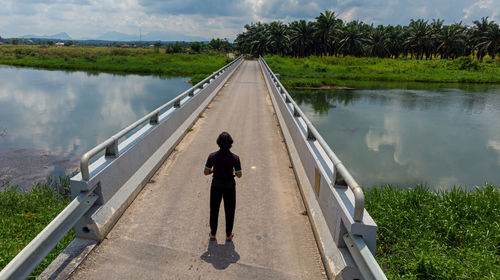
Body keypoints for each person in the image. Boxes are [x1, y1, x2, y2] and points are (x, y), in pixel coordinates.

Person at [204, 132, 242, 241]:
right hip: (229, 187)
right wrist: (234, 171)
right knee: (229, 211)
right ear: (230, 143)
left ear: (218, 143)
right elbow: (239, 175)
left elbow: (206, 172)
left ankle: (213, 233)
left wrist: (213, 170)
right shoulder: (235, 158)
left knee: (214, 210)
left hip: (216, 186)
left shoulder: (212, 156)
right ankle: (228, 234)